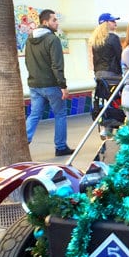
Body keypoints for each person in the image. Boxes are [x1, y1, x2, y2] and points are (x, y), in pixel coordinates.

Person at [24, 9, 74, 156]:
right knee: (60, 114)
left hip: (34, 84)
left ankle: (24, 142)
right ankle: (60, 146)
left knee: (34, 114)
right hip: (51, 84)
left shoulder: (29, 39)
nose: (57, 23)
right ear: (45, 22)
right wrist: (63, 86)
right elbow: (57, 65)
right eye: (54, 20)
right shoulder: (52, 39)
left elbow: (28, 62)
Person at [88, 12, 122, 79]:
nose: (115, 23)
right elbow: (120, 56)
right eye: (113, 21)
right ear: (106, 23)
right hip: (112, 73)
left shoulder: (95, 40)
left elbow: (95, 59)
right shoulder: (113, 38)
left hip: (98, 73)